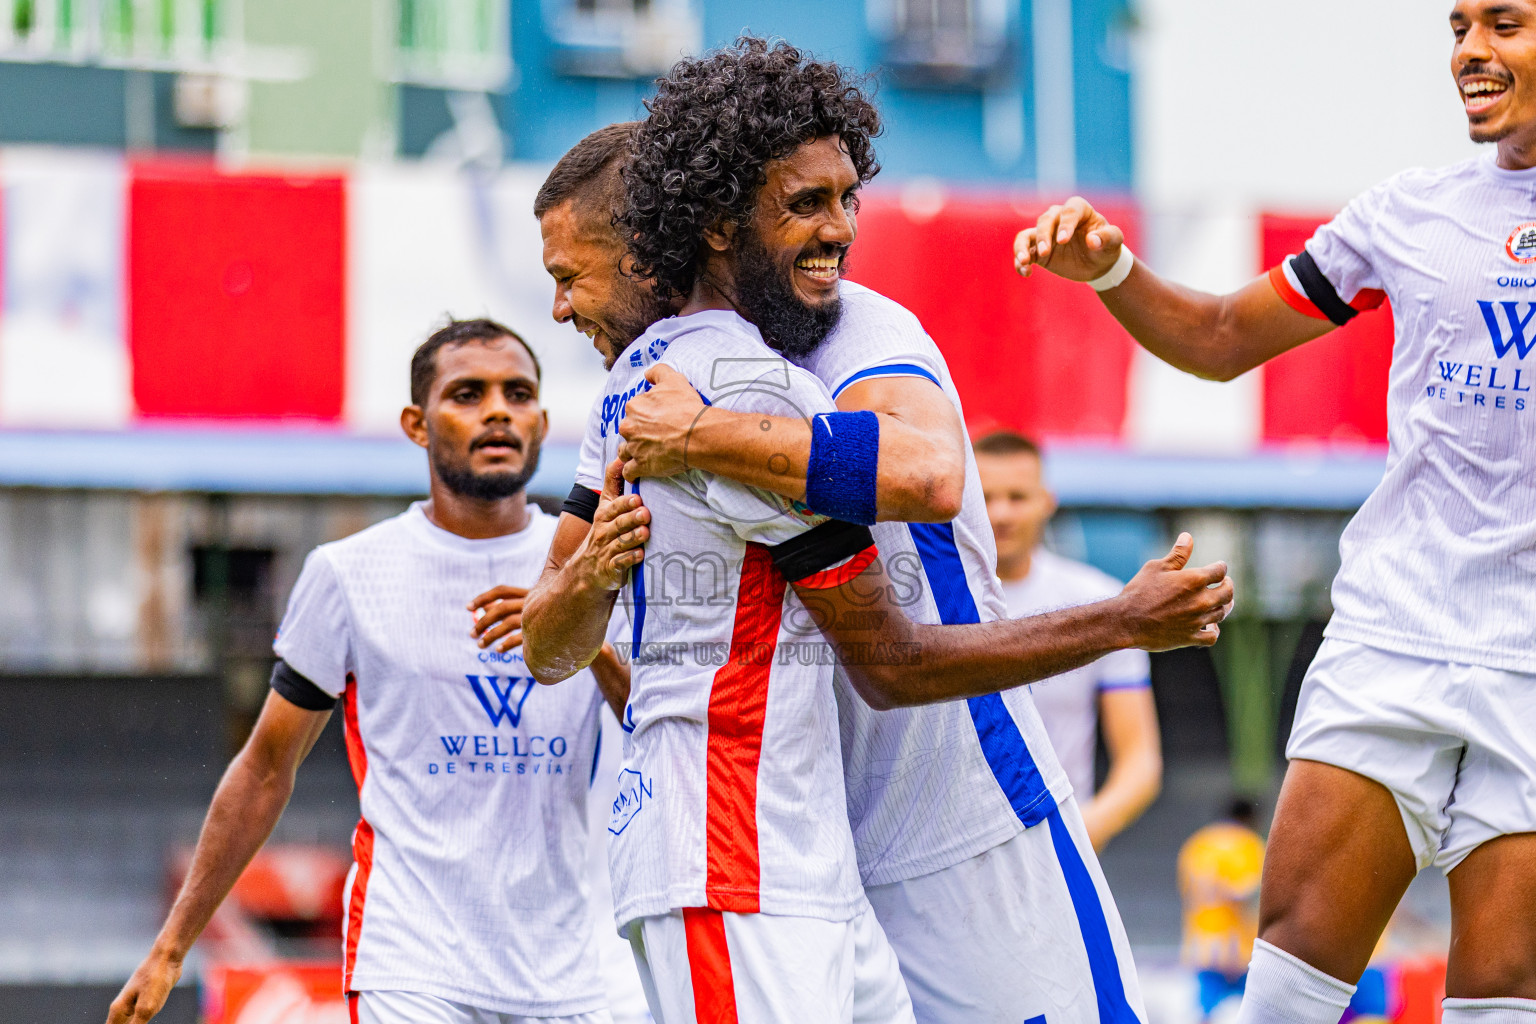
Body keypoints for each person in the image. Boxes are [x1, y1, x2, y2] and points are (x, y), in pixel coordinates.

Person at [518, 41, 1230, 1024]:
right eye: (809, 203)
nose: (842, 229)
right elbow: (562, 611)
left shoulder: (857, 334)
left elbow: (930, 475)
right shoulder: (660, 379)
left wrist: (710, 437)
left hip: (968, 824)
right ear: (710, 222)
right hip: (803, 849)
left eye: (847, 198)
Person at [1013, 2, 1536, 1021]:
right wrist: (1112, 270)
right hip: (1399, 640)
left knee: (1503, 998)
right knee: (1288, 993)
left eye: (1504, 25)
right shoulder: (1408, 213)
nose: (1468, 51)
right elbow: (1217, 338)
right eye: (1458, 27)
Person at [107, 319, 631, 1024]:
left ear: (541, 420)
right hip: (411, 966)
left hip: (577, 973)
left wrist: (577, 630)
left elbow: (659, 728)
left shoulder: (597, 566)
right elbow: (265, 768)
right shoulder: (350, 574)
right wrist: (172, 947)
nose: (498, 410)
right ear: (417, 424)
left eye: (518, 393)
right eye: (468, 394)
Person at [974, 429, 1162, 851]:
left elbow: (1140, 761)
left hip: (1062, 851)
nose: (1001, 513)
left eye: (1017, 497)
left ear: (1046, 502)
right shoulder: (932, 605)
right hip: (953, 861)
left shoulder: (1103, 602)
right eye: (985, 497)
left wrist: (1081, 833)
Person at [1178, 799, 1266, 1021]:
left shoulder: (1197, 844)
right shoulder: (1248, 845)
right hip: (1237, 948)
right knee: (1258, 1011)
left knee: (1205, 1011)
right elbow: (1248, 898)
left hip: (1203, 944)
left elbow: (1187, 891)